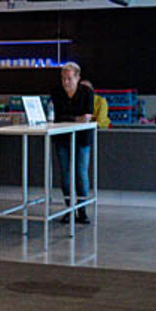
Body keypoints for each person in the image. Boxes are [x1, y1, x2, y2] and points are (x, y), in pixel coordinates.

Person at [48, 61, 96, 223]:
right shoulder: (56, 92)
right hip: (62, 138)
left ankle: (82, 209)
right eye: (63, 79)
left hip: (82, 138)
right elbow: (58, 116)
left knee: (81, 173)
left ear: (77, 78)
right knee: (65, 174)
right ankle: (69, 208)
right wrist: (76, 118)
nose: (66, 82)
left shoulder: (87, 92)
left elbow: (88, 115)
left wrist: (71, 118)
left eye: (69, 79)